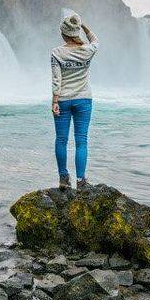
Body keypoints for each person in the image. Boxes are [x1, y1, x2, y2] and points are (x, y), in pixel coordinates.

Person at [51, 12, 98, 189]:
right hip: (84, 99)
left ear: (63, 33)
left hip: (63, 99)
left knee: (61, 140)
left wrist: (55, 101)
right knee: (81, 141)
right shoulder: (88, 50)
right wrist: (83, 25)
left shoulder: (57, 52)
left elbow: (56, 79)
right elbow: (95, 40)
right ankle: (81, 181)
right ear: (76, 32)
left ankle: (63, 178)